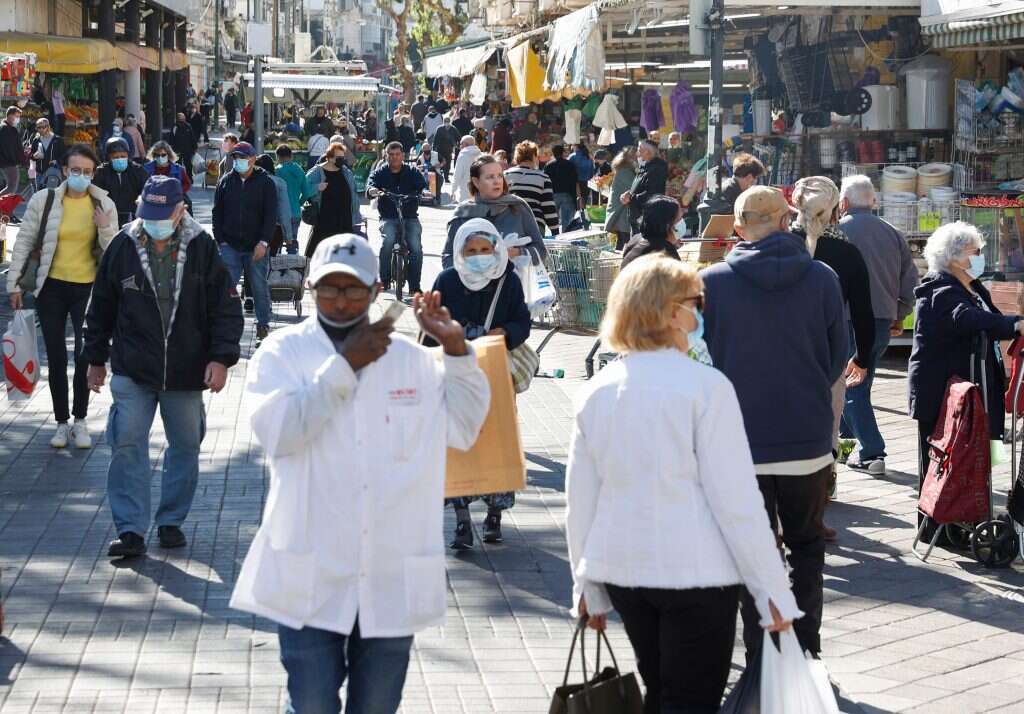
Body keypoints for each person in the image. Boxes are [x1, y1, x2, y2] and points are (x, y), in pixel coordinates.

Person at [229, 233, 489, 714]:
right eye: (330, 288)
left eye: (354, 289)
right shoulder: (282, 354)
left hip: (390, 573)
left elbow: (465, 428)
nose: (342, 300)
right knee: (311, 704)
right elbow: (280, 433)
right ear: (310, 288)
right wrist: (344, 367)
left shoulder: (412, 361)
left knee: (377, 707)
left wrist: (455, 349)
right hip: (312, 572)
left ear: (376, 292)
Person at [567, 254, 801, 712]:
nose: (700, 311)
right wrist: (771, 589)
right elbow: (736, 500)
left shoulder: (597, 390)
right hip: (696, 573)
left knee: (661, 690)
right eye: (696, 301)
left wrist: (586, 586)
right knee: (690, 699)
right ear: (672, 311)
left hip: (624, 571)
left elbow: (581, 499)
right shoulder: (705, 387)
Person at [700, 186, 847, 659]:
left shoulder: (713, 282)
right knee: (807, 546)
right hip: (806, 438)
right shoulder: (822, 277)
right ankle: (806, 648)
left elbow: (703, 362)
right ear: (788, 221)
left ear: (739, 229)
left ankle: (761, 651)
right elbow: (837, 355)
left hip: (739, 444)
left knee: (752, 551)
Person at [84, 176, 242, 558]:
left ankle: (171, 520)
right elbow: (101, 305)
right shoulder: (123, 245)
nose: (154, 222)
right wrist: (94, 359)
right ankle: (131, 529)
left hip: (186, 369)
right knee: (126, 442)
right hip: (133, 367)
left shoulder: (201, 246)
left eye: (162, 214)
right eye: (147, 213)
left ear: (180, 210)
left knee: (186, 445)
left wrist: (221, 359)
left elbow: (224, 308)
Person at [909, 222, 1023, 519]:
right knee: (941, 462)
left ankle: (970, 513)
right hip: (944, 394)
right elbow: (967, 318)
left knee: (981, 455)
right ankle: (939, 524)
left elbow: (990, 320)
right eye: (977, 251)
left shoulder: (971, 285)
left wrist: (1011, 323)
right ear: (956, 256)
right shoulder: (940, 288)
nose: (981, 257)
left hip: (978, 389)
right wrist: (1013, 324)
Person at [7, 143, 118, 448]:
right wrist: (14, 284)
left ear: (94, 172)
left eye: (88, 171)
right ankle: (60, 422)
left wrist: (106, 229)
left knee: (85, 355)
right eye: (76, 170)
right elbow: (25, 241)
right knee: (55, 357)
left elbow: (114, 256)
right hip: (51, 288)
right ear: (65, 170)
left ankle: (80, 421)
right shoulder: (45, 200)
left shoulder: (103, 204)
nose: (81, 176)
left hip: (88, 290)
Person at [427, 218, 530, 548]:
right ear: (459, 251)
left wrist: (505, 332)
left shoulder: (508, 280)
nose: (479, 256)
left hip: (495, 371)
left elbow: (522, 322)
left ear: (496, 249)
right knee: (457, 444)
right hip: (456, 373)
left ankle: (495, 516)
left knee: (497, 441)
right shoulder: (447, 280)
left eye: (485, 249)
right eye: (471, 250)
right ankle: (461, 520)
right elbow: (431, 325)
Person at [790, 176, 875, 543]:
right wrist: (864, 356)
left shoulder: (780, 246)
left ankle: (781, 502)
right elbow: (862, 312)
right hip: (827, 354)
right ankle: (818, 500)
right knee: (826, 425)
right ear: (838, 209)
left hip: (780, 352)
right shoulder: (845, 252)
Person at [839, 175, 919, 474]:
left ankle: (873, 452)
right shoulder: (892, 232)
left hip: (846, 319)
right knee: (860, 382)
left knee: (851, 386)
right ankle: (845, 441)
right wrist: (899, 314)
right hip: (883, 318)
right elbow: (909, 281)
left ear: (843, 203)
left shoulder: (836, 232)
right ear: (873, 201)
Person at [212, 141, 277, 341]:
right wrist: (220, 239)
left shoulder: (265, 182)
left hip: (256, 245)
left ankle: (263, 326)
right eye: (236, 158)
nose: (238, 161)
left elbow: (270, 215)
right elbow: (217, 212)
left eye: (242, 157)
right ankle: (224, 327)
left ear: (253, 159)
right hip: (230, 245)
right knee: (226, 289)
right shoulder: (225, 181)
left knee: (258, 286)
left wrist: (264, 242)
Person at [445, 154, 547, 272]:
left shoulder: (517, 207)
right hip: (471, 288)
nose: (496, 181)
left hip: (513, 287)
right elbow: (448, 256)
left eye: (499, 176)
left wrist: (518, 252)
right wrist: (468, 272)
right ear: (476, 182)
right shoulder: (463, 213)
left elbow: (541, 251)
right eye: (490, 177)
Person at [366, 142, 427, 294]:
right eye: (391, 155)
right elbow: (370, 184)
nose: (394, 158)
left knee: (416, 248)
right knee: (388, 241)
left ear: (403, 156)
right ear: (386, 156)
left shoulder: (412, 171)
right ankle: (384, 279)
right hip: (388, 216)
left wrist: (424, 191)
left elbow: (422, 185)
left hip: (410, 216)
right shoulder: (380, 172)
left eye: (397, 154)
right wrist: (372, 190)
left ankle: (414, 286)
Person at [304, 142, 362, 259]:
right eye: (339, 158)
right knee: (320, 256)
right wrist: (316, 187)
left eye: (343, 157)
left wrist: (356, 215)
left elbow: (354, 193)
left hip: (344, 221)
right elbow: (303, 189)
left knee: (344, 257)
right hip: (325, 222)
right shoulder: (317, 172)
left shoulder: (346, 172)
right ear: (330, 158)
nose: (342, 160)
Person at [697, 153, 766, 234]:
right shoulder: (731, 194)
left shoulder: (730, 188)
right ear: (749, 177)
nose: (755, 182)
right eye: (756, 178)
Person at [504, 141, 558, 236]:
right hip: (535, 225)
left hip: (509, 224)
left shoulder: (505, 175)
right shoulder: (543, 177)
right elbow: (548, 207)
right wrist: (555, 231)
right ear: (534, 156)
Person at [93, 137, 150, 227]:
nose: (120, 159)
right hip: (108, 219)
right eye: (115, 157)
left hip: (133, 218)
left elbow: (146, 191)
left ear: (128, 155)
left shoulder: (138, 171)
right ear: (108, 158)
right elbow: (96, 196)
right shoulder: (101, 173)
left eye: (123, 156)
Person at [621, 195, 684, 269]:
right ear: (667, 225)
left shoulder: (636, 239)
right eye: (679, 219)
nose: (682, 222)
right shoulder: (665, 250)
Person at [620, 139, 668, 233]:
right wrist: (628, 193)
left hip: (647, 217)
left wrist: (631, 197)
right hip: (637, 216)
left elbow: (653, 193)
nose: (638, 151)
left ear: (647, 151)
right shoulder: (645, 166)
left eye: (640, 148)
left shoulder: (657, 168)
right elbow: (639, 186)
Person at [254, 155, 294, 255]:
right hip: (274, 231)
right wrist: (288, 238)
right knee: (271, 264)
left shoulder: (250, 181)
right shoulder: (279, 183)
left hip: (251, 230)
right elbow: (284, 212)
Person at [275, 145, 312, 253]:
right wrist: (298, 203)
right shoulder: (300, 171)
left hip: (280, 213)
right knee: (292, 241)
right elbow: (306, 193)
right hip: (296, 212)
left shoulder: (277, 171)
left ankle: (278, 267)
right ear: (291, 156)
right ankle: (293, 265)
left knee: (277, 244)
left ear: (278, 157)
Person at [606, 147, 637, 250]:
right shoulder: (625, 171)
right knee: (625, 242)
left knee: (622, 242)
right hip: (621, 213)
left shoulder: (623, 170)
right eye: (635, 155)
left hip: (621, 212)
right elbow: (634, 187)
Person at [544, 144, 579, 231]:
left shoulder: (548, 165)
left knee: (552, 223)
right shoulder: (570, 165)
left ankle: (555, 238)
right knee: (566, 223)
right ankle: (565, 239)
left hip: (552, 195)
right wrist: (579, 197)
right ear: (563, 153)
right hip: (568, 195)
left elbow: (545, 181)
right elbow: (575, 182)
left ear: (553, 153)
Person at [29, 117, 65, 189]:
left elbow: (64, 156)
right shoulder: (36, 140)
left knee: (51, 195)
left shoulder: (57, 140)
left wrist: (57, 161)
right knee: (39, 195)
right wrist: (34, 156)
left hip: (52, 172)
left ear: (48, 127)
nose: (40, 130)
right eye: (38, 127)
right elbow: (31, 156)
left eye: (43, 127)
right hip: (39, 173)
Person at [450, 135, 481, 205]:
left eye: (461, 144)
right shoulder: (480, 154)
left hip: (465, 190)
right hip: (478, 189)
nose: (460, 146)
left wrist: (453, 190)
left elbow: (457, 174)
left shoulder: (463, 155)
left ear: (465, 144)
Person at [0, 106, 23, 196]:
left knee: (11, 185)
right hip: (9, 162)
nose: (18, 119)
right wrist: (16, 161)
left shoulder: (6, 128)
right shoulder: (6, 129)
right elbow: (8, 149)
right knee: (11, 186)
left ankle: (6, 208)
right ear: (9, 116)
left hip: (7, 162)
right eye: (16, 116)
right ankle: (4, 206)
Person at [170, 113, 198, 181]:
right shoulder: (186, 126)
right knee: (187, 164)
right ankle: (188, 178)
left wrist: (171, 147)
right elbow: (192, 138)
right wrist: (195, 147)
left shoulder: (179, 126)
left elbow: (171, 138)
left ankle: (180, 178)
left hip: (179, 149)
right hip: (184, 149)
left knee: (181, 164)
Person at [568, 144, 595, 208]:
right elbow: (592, 171)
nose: (571, 147)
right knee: (584, 201)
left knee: (576, 201)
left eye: (573, 145)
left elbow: (568, 170)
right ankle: (583, 215)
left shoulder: (572, 157)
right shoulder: (589, 156)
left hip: (576, 182)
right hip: (587, 182)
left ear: (576, 146)